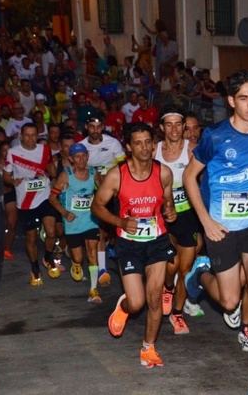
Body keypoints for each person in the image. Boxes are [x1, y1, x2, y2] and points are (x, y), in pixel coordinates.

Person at [183, 70, 248, 394]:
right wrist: (206, 222)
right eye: (243, 98)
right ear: (231, 101)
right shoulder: (214, 136)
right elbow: (189, 178)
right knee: (228, 301)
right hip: (221, 226)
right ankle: (200, 276)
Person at [91, 122, 177, 368]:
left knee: (154, 299)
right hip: (128, 243)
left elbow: (168, 203)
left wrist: (170, 213)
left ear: (154, 144)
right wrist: (119, 221)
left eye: (148, 142)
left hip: (157, 240)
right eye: (138, 143)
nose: (144, 147)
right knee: (136, 302)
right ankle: (124, 306)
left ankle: (148, 348)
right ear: (129, 147)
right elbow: (96, 206)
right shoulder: (118, 174)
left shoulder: (164, 172)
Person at [154, 109, 200, 335]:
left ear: (184, 127)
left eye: (178, 124)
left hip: (187, 216)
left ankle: (178, 313)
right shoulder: (153, 151)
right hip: (162, 216)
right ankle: (168, 287)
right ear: (162, 128)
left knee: (186, 267)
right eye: (168, 125)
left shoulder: (192, 151)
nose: (173, 129)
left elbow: (203, 183)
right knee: (170, 266)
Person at [3, 123, 60, 285]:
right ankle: (35, 268)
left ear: (38, 135)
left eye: (33, 135)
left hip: (44, 197)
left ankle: (48, 256)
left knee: (51, 232)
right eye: (27, 135)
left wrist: (54, 178)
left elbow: (49, 166)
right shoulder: (13, 153)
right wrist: (13, 181)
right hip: (25, 201)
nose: (30, 138)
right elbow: (6, 176)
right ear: (21, 136)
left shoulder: (44, 150)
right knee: (31, 237)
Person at [49, 143, 102, 303]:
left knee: (92, 253)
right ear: (71, 159)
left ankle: (93, 290)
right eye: (78, 156)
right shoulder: (66, 175)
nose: (82, 159)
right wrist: (64, 213)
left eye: (84, 155)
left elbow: (101, 193)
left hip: (91, 220)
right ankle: (75, 263)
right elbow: (52, 198)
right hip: (72, 222)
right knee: (78, 257)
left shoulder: (93, 173)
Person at [81, 116, 126, 286]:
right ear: (87, 127)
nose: (95, 130)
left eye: (98, 127)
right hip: (93, 193)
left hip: (113, 191)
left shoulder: (113, 143)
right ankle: (102, 268)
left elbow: (123, 165)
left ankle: (117, 251)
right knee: (99, 230)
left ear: (103, 127)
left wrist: (110, 177)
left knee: (116, 227)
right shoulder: (82, 146)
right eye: (91, 126)